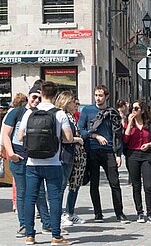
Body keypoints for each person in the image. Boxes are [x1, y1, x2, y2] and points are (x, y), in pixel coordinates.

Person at [18, 81, 74, 245]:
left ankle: (29, 235)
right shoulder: (59, 114)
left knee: (30, 197)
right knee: (55, 199)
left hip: (32, 163)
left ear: (41, 93)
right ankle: (56, 236)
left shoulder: (29, 113)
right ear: (56, 96)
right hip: (53, 162)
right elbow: (69, 138)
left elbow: (20, 137)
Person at [2, 87, 53, 239]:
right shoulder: (16, 112)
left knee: (40, 193)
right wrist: (11, 154)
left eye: (39, 98)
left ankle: (46, 223)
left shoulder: (41, 113)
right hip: (19, 158)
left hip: (35, 159)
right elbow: (6, 134)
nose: (36, 100)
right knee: (22, 193)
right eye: (34, 97)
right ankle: (23, 224)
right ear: (29, 96)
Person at [78, 85, 129, 224]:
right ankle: (98, 213)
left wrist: (118, 154)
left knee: (115, 183)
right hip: (92, 150)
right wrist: (94, 136)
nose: (98, 98)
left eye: (100, 95)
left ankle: (119, 213)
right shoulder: (87, 110)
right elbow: (80, 129)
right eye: (96, 95)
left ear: (107, 96)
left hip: (108, 151)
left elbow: (118, 134)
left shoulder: (112, 112)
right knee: (94, 183)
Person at [123, 100, 151, 224]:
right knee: (136, 186)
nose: (134, 110)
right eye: (132, 108)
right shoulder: (129, 123)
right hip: (133, 155)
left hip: (146, 155)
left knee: (148, 186)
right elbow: (125, 140)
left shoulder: (149, 124)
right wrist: (130, 123)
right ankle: (140, 213)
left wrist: (149, 144)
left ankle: (150, 214)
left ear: (142, 110)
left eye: (136, 108)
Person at [55, 91, 86, 226]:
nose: (76, 105)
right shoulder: (62, 116)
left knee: (75, 185)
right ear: (67, 102)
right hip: (66, 155)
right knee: (62, 185)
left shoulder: (73, 117)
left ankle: (70, 212)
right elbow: (64, 138)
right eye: (74, 102)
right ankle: (59, 214)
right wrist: (77, 139)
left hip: (77, 157)